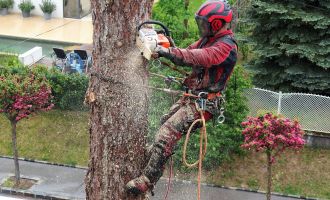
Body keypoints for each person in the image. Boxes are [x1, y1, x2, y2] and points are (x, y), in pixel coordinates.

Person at [126, 0, 238, 195]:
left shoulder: (226, 46)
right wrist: (163, 49)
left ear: (217, 24)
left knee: (166, 133)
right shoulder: (207, 40)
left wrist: (169, 51)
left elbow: (202, 57)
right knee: (164, 123)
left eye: (204, 24)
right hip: (191, 98)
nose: (201, 28)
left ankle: (146, 181)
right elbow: (187, 53)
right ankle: (154, 156)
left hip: (205, 104)